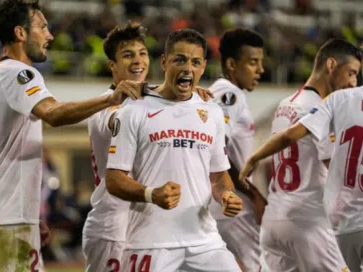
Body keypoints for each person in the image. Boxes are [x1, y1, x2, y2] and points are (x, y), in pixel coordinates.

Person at [0, 0, 142, 271]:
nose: (50, 35)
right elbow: (53, 113)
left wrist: (29, 214)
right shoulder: (20, 73)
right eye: (43, 27)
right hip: (7, 218)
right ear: (21, 33)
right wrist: (111, 99)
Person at [105, 28, 243, 272]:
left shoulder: (211, 112)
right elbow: (114, 180)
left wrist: (226, 196)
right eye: (180, 60)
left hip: (204, 241)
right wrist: (151, 194)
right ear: (164, 62)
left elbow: (219, 176)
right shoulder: (133, 110)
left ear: (203, 67)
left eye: (195, 62)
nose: (188, 68)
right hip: (150, 241)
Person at [83, 22, 214, 272]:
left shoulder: (146, 102)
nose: (138, 61)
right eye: (127, 55)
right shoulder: (105, 106)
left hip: (145, 226)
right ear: (112, 65)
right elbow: (118, 118)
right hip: (113, 226)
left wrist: (188, 93)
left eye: (142, 53)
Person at [239, 46, 363, 272]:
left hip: (275, 222)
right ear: (331, 65)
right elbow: (339, 170)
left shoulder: (285, 104)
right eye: (352, 73)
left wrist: (254, 157)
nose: (353, 83)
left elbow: (285, 144)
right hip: (310, 223)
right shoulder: (322, 109)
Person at [208, 28, 267, 271]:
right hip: (234, 206)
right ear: (232, 64)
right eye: (253, 63)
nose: (260, 70)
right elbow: (216, 147)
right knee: (260, 267)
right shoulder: (228, 93)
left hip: (224, 204)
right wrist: (253, 195)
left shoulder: (229, 93)